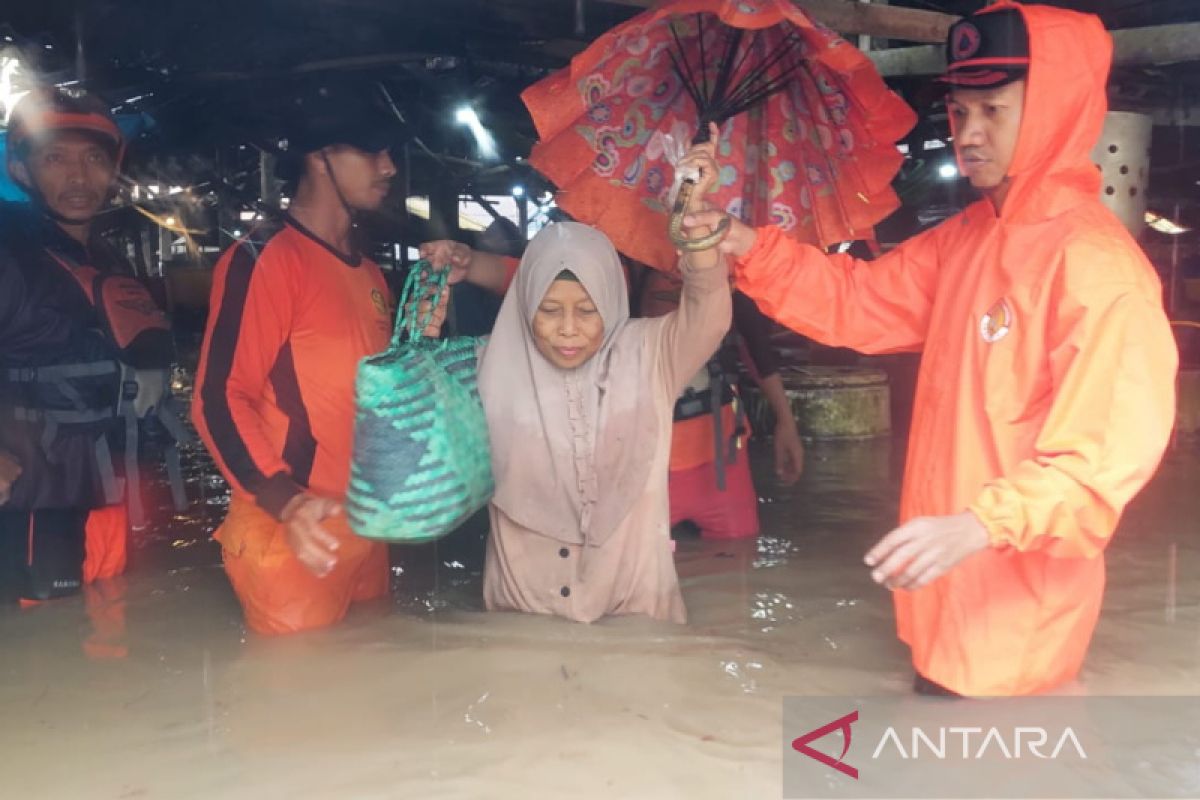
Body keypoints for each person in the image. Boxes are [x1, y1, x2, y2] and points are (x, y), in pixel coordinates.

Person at [684, 3, 1178, 695]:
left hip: (1014, 619)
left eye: (993, 111)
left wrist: (980, 525)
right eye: (960, 111)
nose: (968, 135)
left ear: (1054, 111)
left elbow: (1099, 466)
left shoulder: (1097, 270)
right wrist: (744, 242)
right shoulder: (970, 238)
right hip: (943, 594)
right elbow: (856, 304)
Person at [420, 126, 731, 623]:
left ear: (611, 301)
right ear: (525, 309)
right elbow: (414, 452)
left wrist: (692, 218)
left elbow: (709, 312)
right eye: (549, 310)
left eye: (587, 310)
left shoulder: (649, 355)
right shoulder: (485, 365)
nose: (569, 330)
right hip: (524, 619)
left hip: (634, 619)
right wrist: (421, 334)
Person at [192, 82, 403, 635]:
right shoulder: (264, 259)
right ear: (321, 157)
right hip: (289, 525)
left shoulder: (370, 271)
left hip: (364, 521)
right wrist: (285, 501)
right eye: (372, 151)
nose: (389, 168)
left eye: (389, 153)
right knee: (294, 707)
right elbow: (217, 398)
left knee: (376, 689)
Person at [0, 87, 171, 607]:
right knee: (38, 650)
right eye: (56, 158)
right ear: (23, 172)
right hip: (30, 504)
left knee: (100, 637)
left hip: (101, 491)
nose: (78, 177)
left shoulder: (105, 257)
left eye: (95, 159)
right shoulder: (9, 253)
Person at [638, 268, 804, 540]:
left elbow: (757, 349)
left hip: (724, 460)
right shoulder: (626, 269)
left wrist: (786, 423)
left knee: (736, 562)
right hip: (648, 464)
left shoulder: (730, 276)